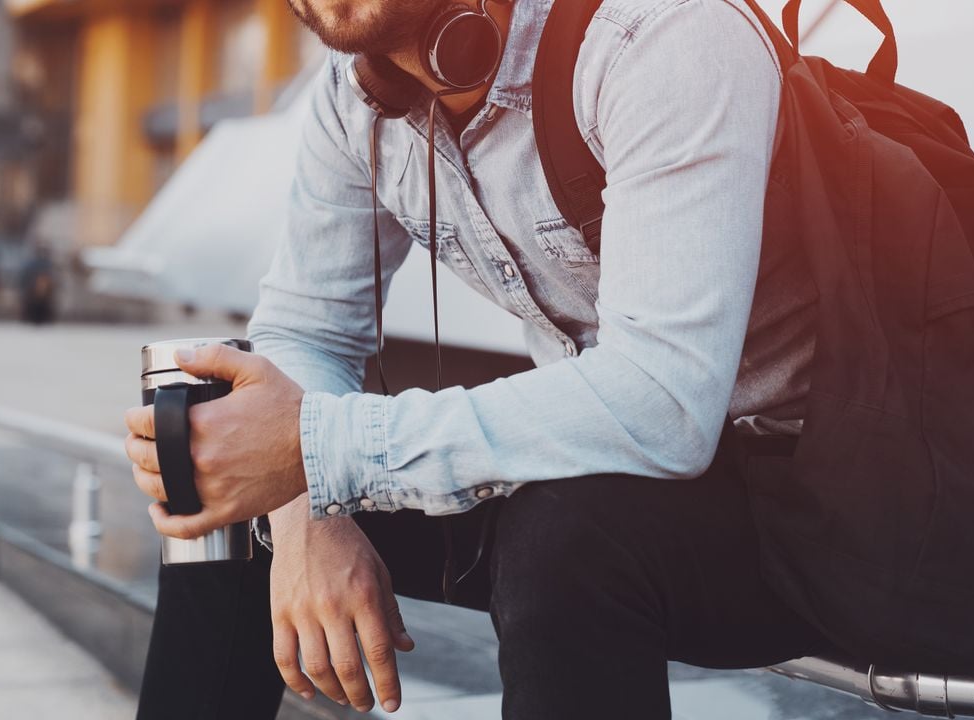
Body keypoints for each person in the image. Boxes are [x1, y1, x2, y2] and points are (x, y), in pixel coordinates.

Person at [124, 0, 835, 717]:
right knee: (215, 437)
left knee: (567, 530)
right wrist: (308, 513)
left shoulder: (661, 36)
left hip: (813, 515)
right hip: (602, 474)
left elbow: (663, 403)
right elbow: (308, 330)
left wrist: (320, 450)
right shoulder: (351, 94)